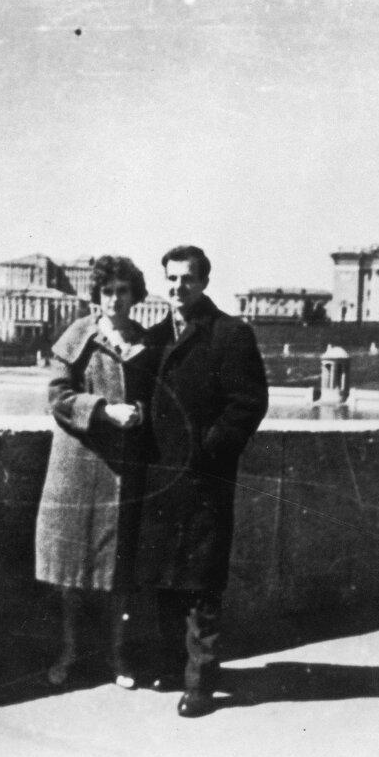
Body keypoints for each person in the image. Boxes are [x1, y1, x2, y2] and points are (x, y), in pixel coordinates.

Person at [136, 245, 269, 718]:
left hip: (205, 479)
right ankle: (173, 667)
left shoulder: (230, 334)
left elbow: (248, 403)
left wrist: (209, 449)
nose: (178, 288)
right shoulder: (152, 338)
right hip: (160, 477)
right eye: (171, 279)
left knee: (201, 583)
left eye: (187, 279)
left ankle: (201, 682)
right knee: (165, 579)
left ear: (204, 282)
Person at [34, 255, 157, 689]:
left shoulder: (146, 341)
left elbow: (160, 399)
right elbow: (58, 397)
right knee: (70, 573)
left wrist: (139, 413)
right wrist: (103, 410)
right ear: (97, 295)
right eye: (108, 291)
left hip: (124, 470)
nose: (115, 300)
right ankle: (67, 652)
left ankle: (119, 656)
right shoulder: (78, 335)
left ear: (135, 296)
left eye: (124, 291)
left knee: (119, 572)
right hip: (78, 465)